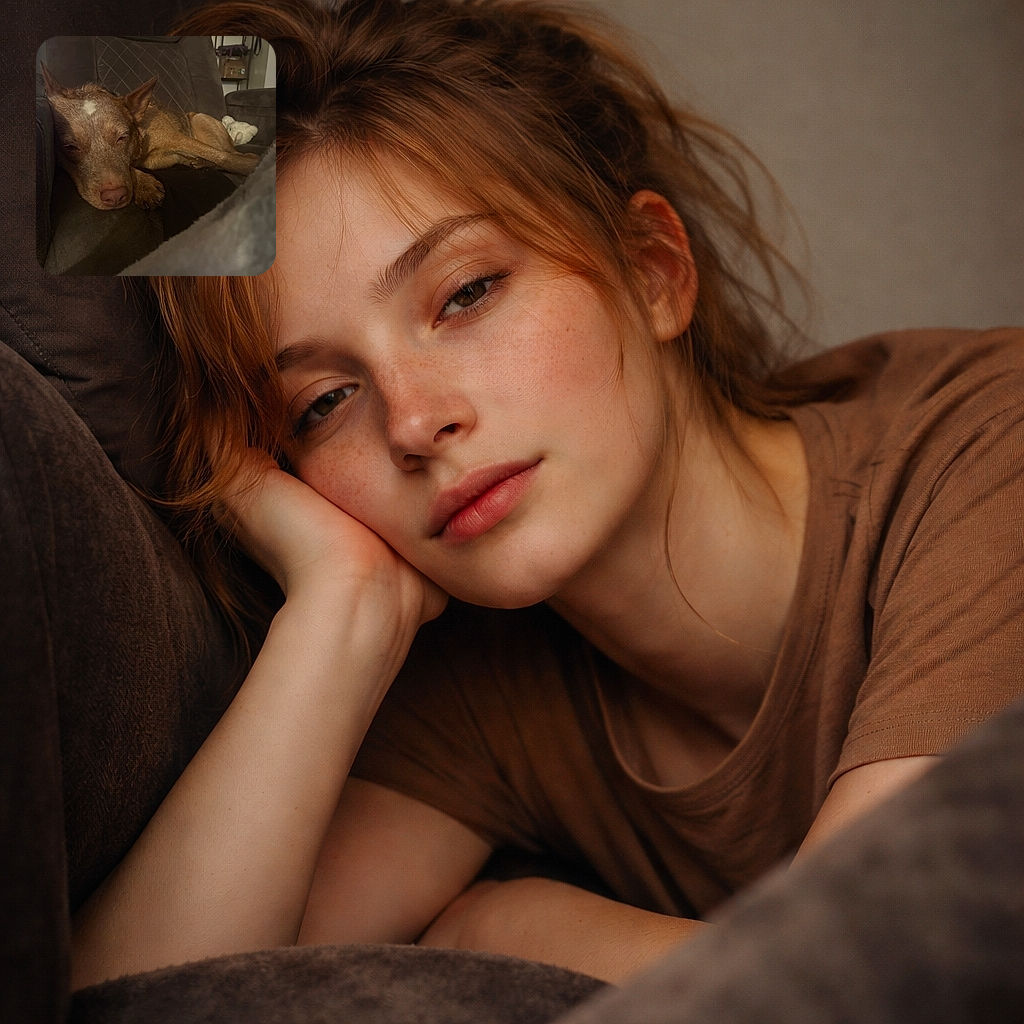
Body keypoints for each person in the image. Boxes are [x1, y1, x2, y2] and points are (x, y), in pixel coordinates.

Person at [70, 0, 1024, 992]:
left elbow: (871, 988)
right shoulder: (486, 683)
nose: (412, 422)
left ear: (653, 271)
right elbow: (132, 999)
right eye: (322, 402)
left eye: (466, 293)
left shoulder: (992, 453)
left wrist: (520, 926)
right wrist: (341, 610)